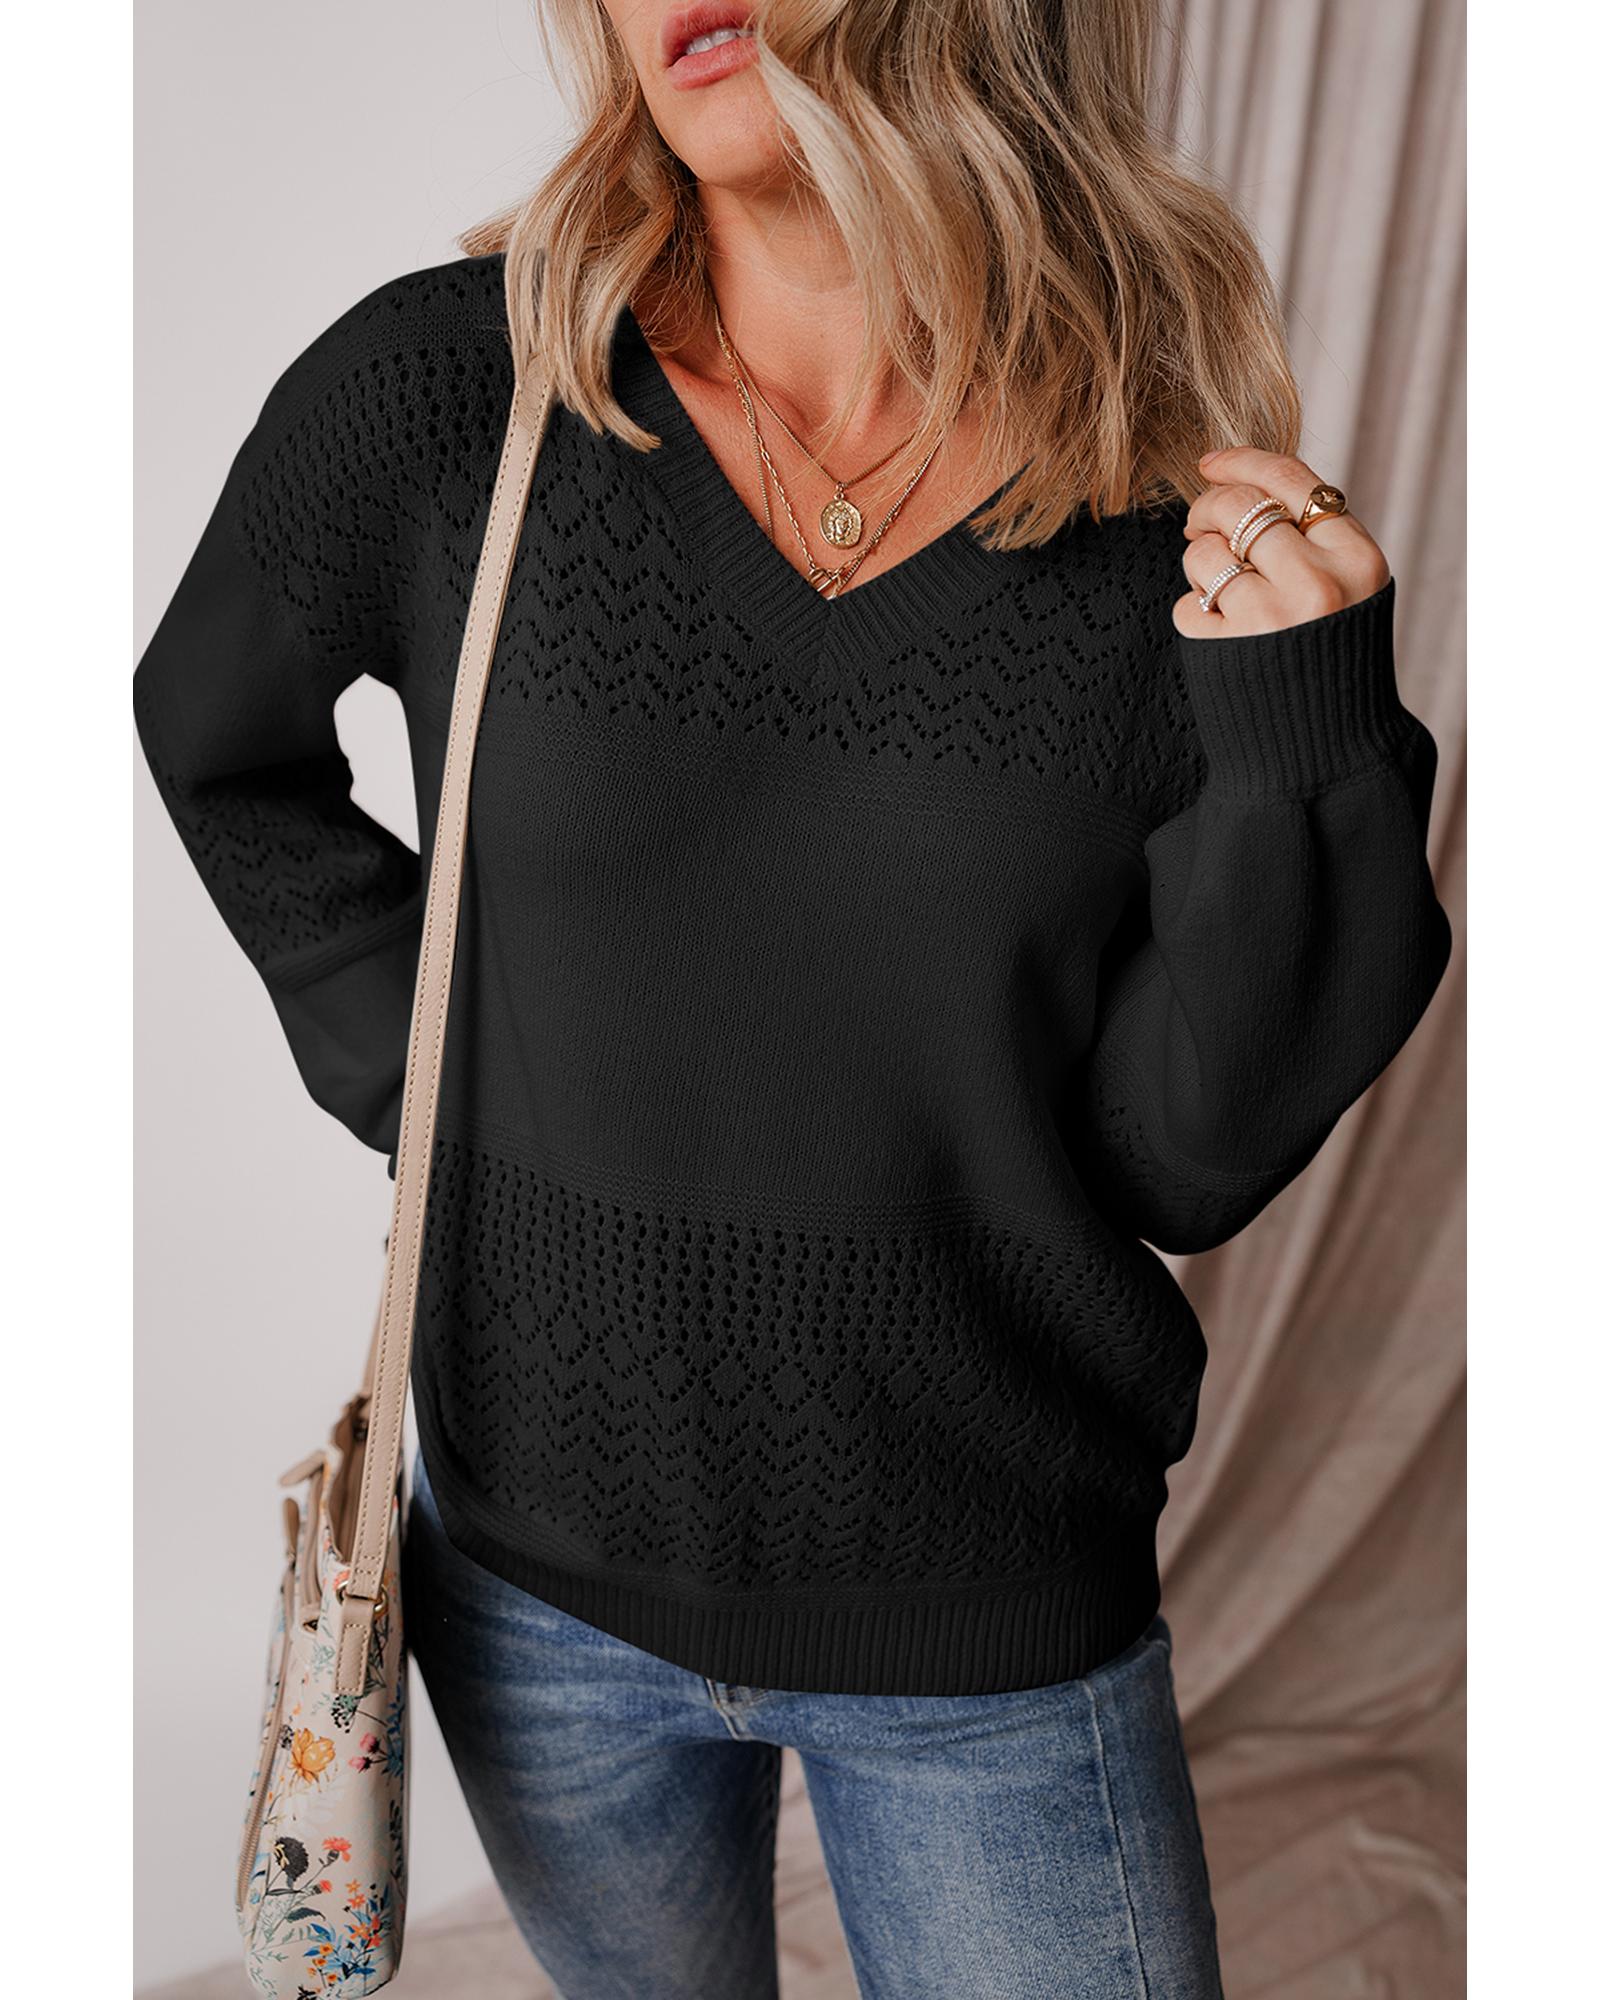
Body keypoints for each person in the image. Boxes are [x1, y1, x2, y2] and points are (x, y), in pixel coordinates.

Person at [132, 2, 1452, 1993]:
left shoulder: (1151, 511)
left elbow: (1177, 1155)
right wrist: (431, 1069)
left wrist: (1304, 740)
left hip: (987, 1612)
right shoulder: (455, 394)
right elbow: (213, 731)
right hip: (539, 1592)